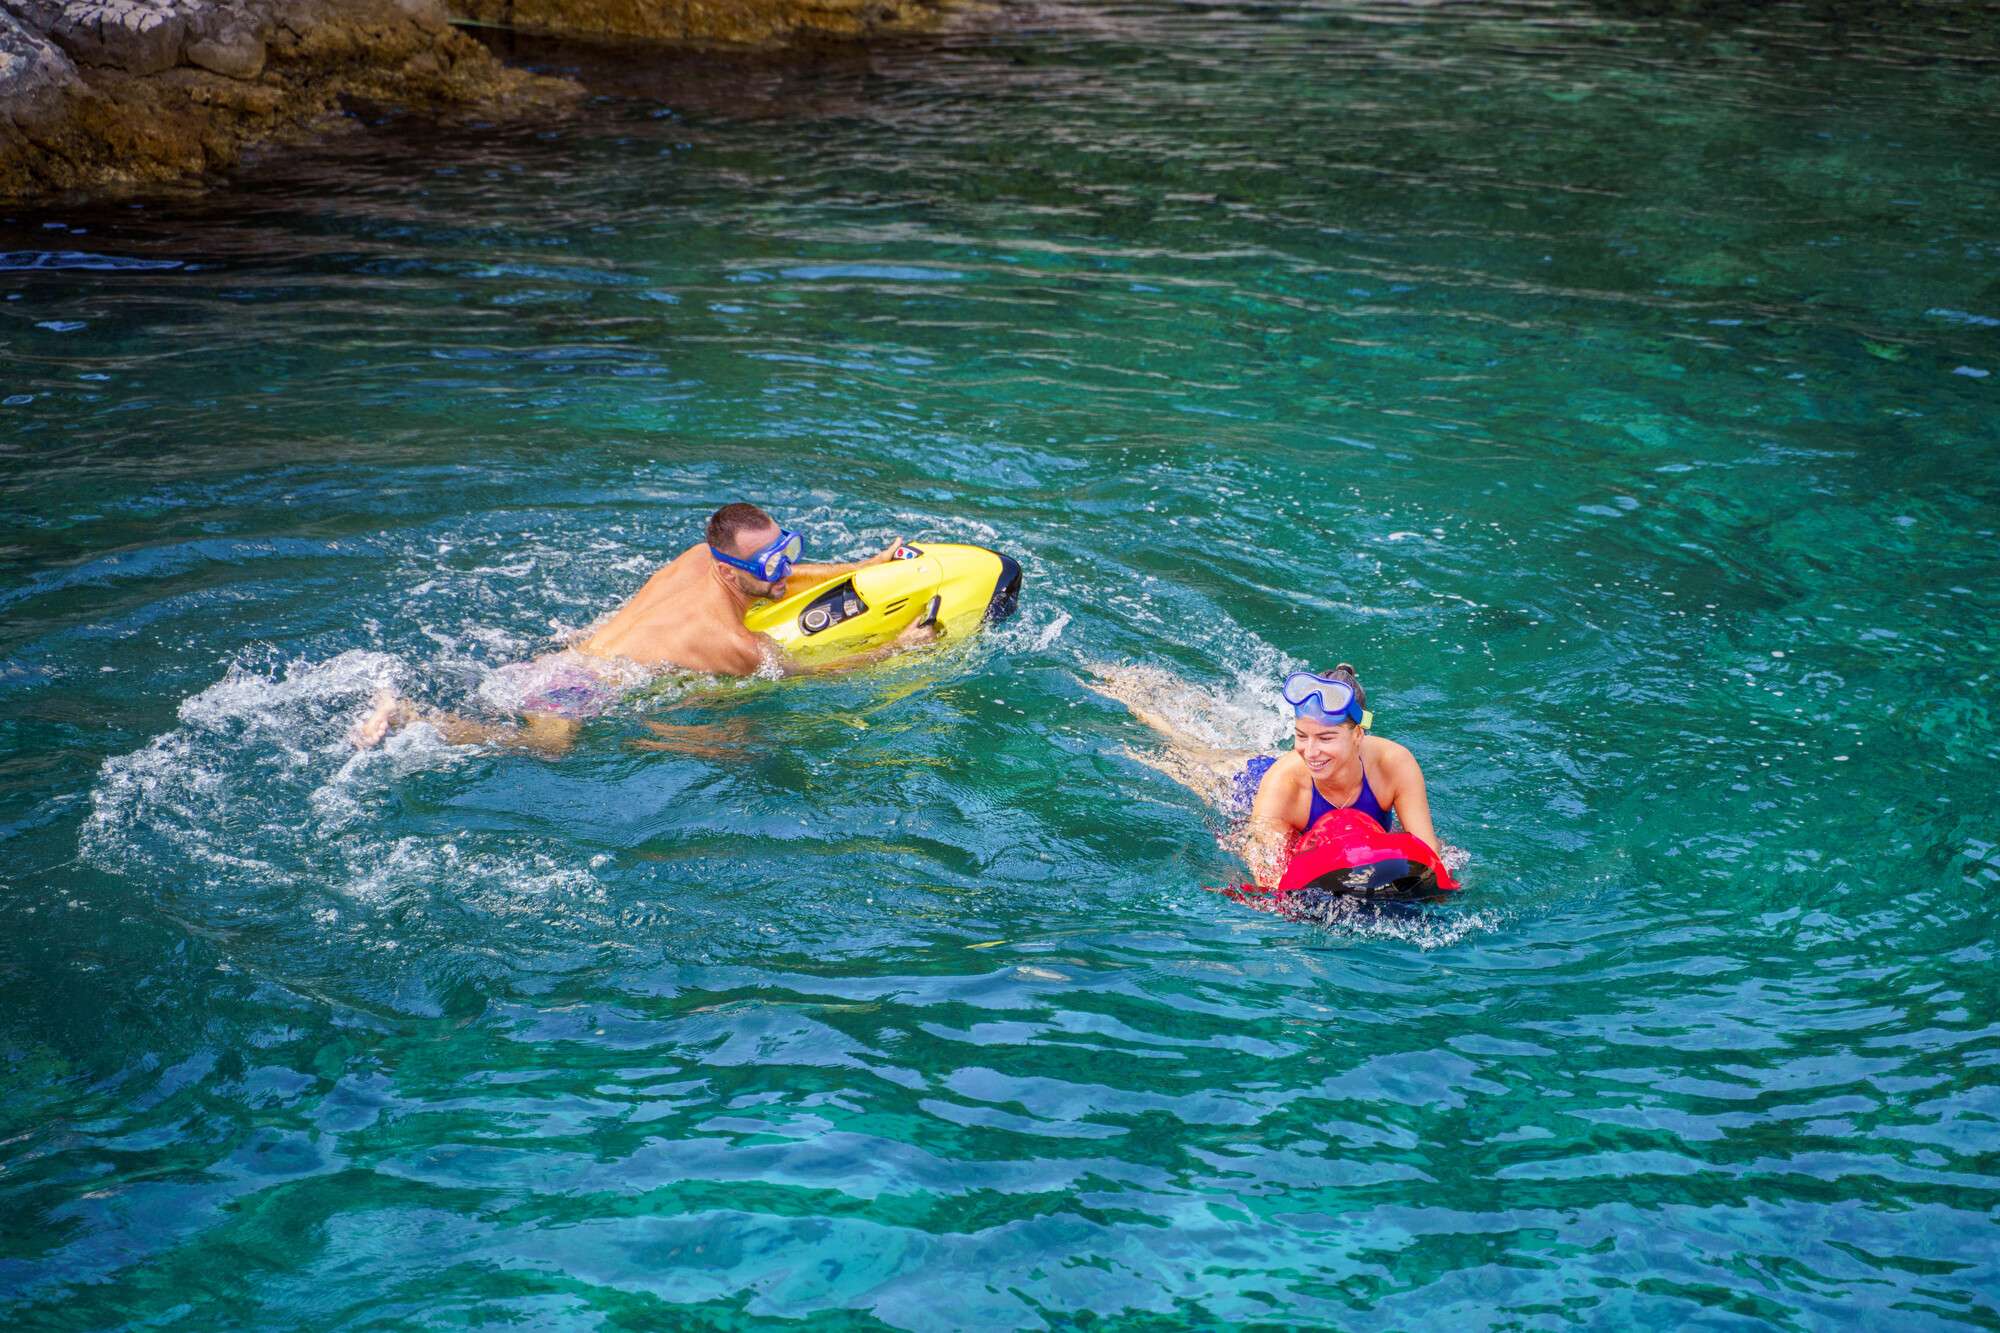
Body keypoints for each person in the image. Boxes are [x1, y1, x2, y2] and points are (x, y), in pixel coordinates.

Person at [350, 502, 935, 754]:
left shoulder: (699, 556)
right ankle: (412, 718)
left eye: (787, 552)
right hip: (575, 688)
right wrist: (897, 649)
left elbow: (792, 575)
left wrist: (865, 566)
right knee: (547, 748)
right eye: (769, 565)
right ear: (729, 568)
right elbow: (808, 673)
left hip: (556, 659)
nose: (784, 571)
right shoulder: (732, 644)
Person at [1087, 661, 1440, 888]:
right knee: (1185, 752)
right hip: (1246, 787)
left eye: (1326, 738)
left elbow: (1428, 853)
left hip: (1329, 823)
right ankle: (1128, 689)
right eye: (1301, 736)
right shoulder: (1284, 784)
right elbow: (1269, 879)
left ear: (1358, 735)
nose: (1311, 752)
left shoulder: (1394, 764)